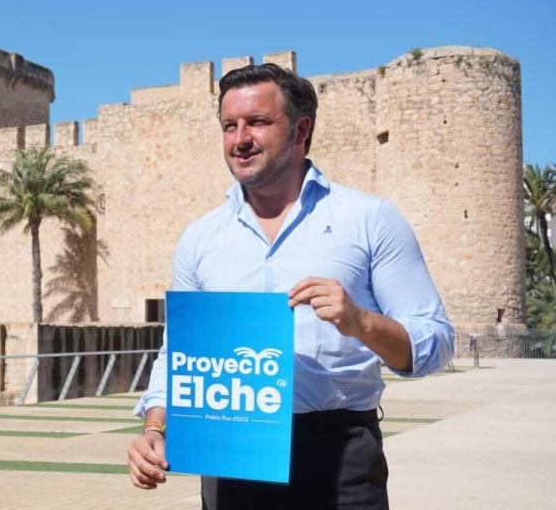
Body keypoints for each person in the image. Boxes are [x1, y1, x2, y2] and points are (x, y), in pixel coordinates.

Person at [126, 63, 454, 509]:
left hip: (338, 458)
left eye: (258, 122)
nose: (240, 139)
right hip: (229, 459)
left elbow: (434, 344)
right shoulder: (200, 239)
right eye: (229, 126)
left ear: (301, 130)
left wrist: (361, 322)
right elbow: (177, 355)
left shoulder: (369, 220)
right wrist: (154, 428)